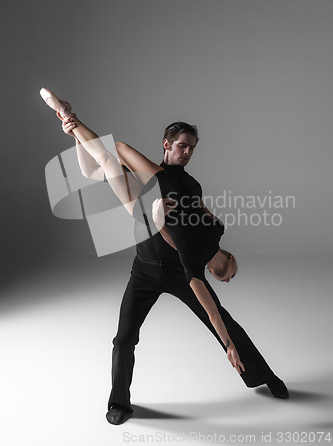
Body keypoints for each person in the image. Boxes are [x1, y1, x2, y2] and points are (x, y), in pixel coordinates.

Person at [40, 88, 289, 426]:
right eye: (182, 145)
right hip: (144, 269)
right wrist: (74, 134)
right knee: (124, 338)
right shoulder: (150, 174)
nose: (187, 152)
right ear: (166, 144)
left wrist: (188, 229)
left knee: (225, 323)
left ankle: (267, 377)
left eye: (192, 147)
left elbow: (200, 220)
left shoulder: (192, 188)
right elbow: (93, 167)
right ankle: (119, 404)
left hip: (177, 267)